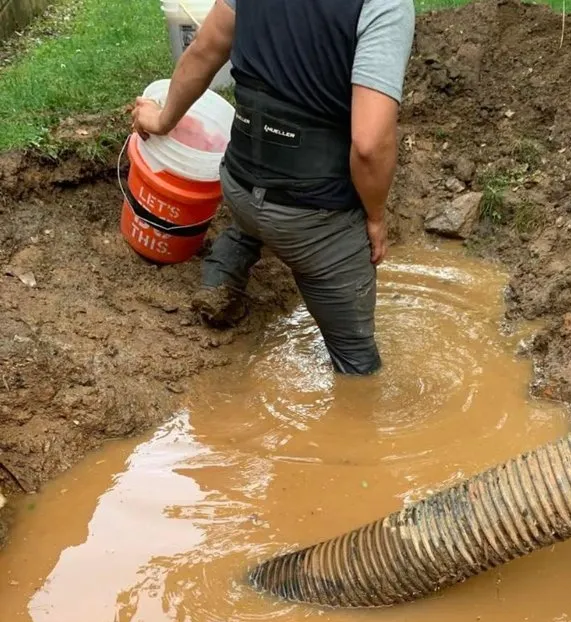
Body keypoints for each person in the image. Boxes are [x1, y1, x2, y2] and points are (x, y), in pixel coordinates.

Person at [133, 0, 415, 376]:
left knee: (257, 215)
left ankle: (223, 273)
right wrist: (376, 217)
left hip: (237, 183)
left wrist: (163, 119)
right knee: (358, 365)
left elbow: (205, 48)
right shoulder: (384, 4)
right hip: (313, 218)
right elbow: (368, 146)